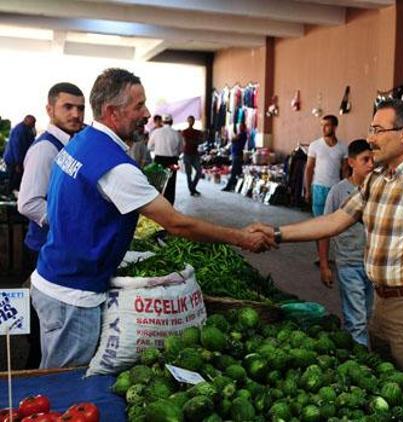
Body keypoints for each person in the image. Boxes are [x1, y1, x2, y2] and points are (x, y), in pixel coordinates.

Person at [31, 68, 273, 369]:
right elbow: (177, 224)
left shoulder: (82, 141)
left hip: (53, 276)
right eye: (138, 106)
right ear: (112, 112)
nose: (147, 113)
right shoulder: (114, 166)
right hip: (73, 293)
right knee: (63, 386)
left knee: (52, 375)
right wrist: (241, 237)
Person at [253, 99, 403, 392]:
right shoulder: (376, 180)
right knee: (383, 385)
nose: (371, 138)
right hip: (380, 302)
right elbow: (336, 220)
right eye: (371, 129)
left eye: (378, 129)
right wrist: (276, 233)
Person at [16, 83, 84, 370]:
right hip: (41, 250)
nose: (75, 113)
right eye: (67, 107)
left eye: (80, 108)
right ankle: (33, 390)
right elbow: (28, 203)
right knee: (41, 331)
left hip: (55, 249)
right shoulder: (45, 148)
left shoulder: (70, 144)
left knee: (49, 330)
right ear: (50, 109)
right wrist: (69, 225)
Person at [318, 139, 375, 346]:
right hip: (349, 264)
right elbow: (324, 229)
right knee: (357, 320)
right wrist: (324, 264)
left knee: (367, 316)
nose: (371, 164)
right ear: (351, 162)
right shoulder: (338, 191)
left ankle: (351, 350)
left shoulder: (376, 190)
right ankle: (360, 362)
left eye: (373, 160)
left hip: (373, 266)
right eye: (365, 160)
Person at [305, 115, 347, 216]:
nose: (323, 128)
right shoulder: (315, 145)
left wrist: (345, 189)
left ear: (335, 127)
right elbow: (309, 168)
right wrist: (307, 190)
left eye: (327, 125)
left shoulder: (343, 147)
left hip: (335, 187)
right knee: (319, 220)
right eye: (322, 125)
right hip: (318, 187)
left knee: (332, 219)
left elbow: (345, 170)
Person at [148, 113, 183, 204]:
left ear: (163, 122)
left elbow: (149, 147)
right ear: (171, 122)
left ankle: (158, 205)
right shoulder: (177, 134)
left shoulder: (156, 132)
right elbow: (181, 149)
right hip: (172, 161)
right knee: (171, 184)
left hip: (159, 160)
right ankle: (169, 205)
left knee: (158, 183)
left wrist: (159, 148)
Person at [3, 115, 36, 193]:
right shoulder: (20, 130)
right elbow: (16, 147)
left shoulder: (26, 129)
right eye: (33, 123)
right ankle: (10, 193)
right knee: (14, 178)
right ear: (26, 120)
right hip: (13, 159)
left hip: (17, 158)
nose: (34, 125)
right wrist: (18, 163)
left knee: (16, 178)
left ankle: (11, 192)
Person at [222, 122, 247, 192]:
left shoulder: (242, 134)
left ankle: (229, 186)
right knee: (238, 171)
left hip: (237, 154)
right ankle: (236, 186)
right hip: (236, 154)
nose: (240, 127)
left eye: (241, 126)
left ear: (244, 127)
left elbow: (233, 139)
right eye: (240, 126)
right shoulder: (240, 134)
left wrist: (233, 138)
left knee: (234, 171)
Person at [182, 115, 203, 196]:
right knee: (189, 173)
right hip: (187, 154)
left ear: (194, 121)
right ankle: (192, 189)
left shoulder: (197, 132)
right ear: (188, 121)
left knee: (199, 171)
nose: (191, 122)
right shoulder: (184, 131)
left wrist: (193, 142)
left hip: (194, 154)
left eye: (192, 120)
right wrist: (195, 142)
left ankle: (192, 188)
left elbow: (200, 140)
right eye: (189, 120)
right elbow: (186, 142)